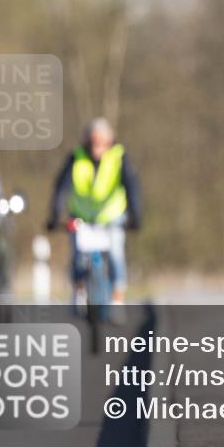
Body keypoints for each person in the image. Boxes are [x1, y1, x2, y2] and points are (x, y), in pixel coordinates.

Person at [46, 117, 142, 307]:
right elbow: (61, 188)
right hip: (81, 215)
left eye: (101, 142)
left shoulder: (119, 157)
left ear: (109, 141)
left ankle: (117, 295)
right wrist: (55, 215)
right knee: (77, 255)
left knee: (115, 253)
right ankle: (78, 289)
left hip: (111, 216)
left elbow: (132, 187)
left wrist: (135, 216)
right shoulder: (76, 157)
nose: (97, 147)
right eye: (93, 142)